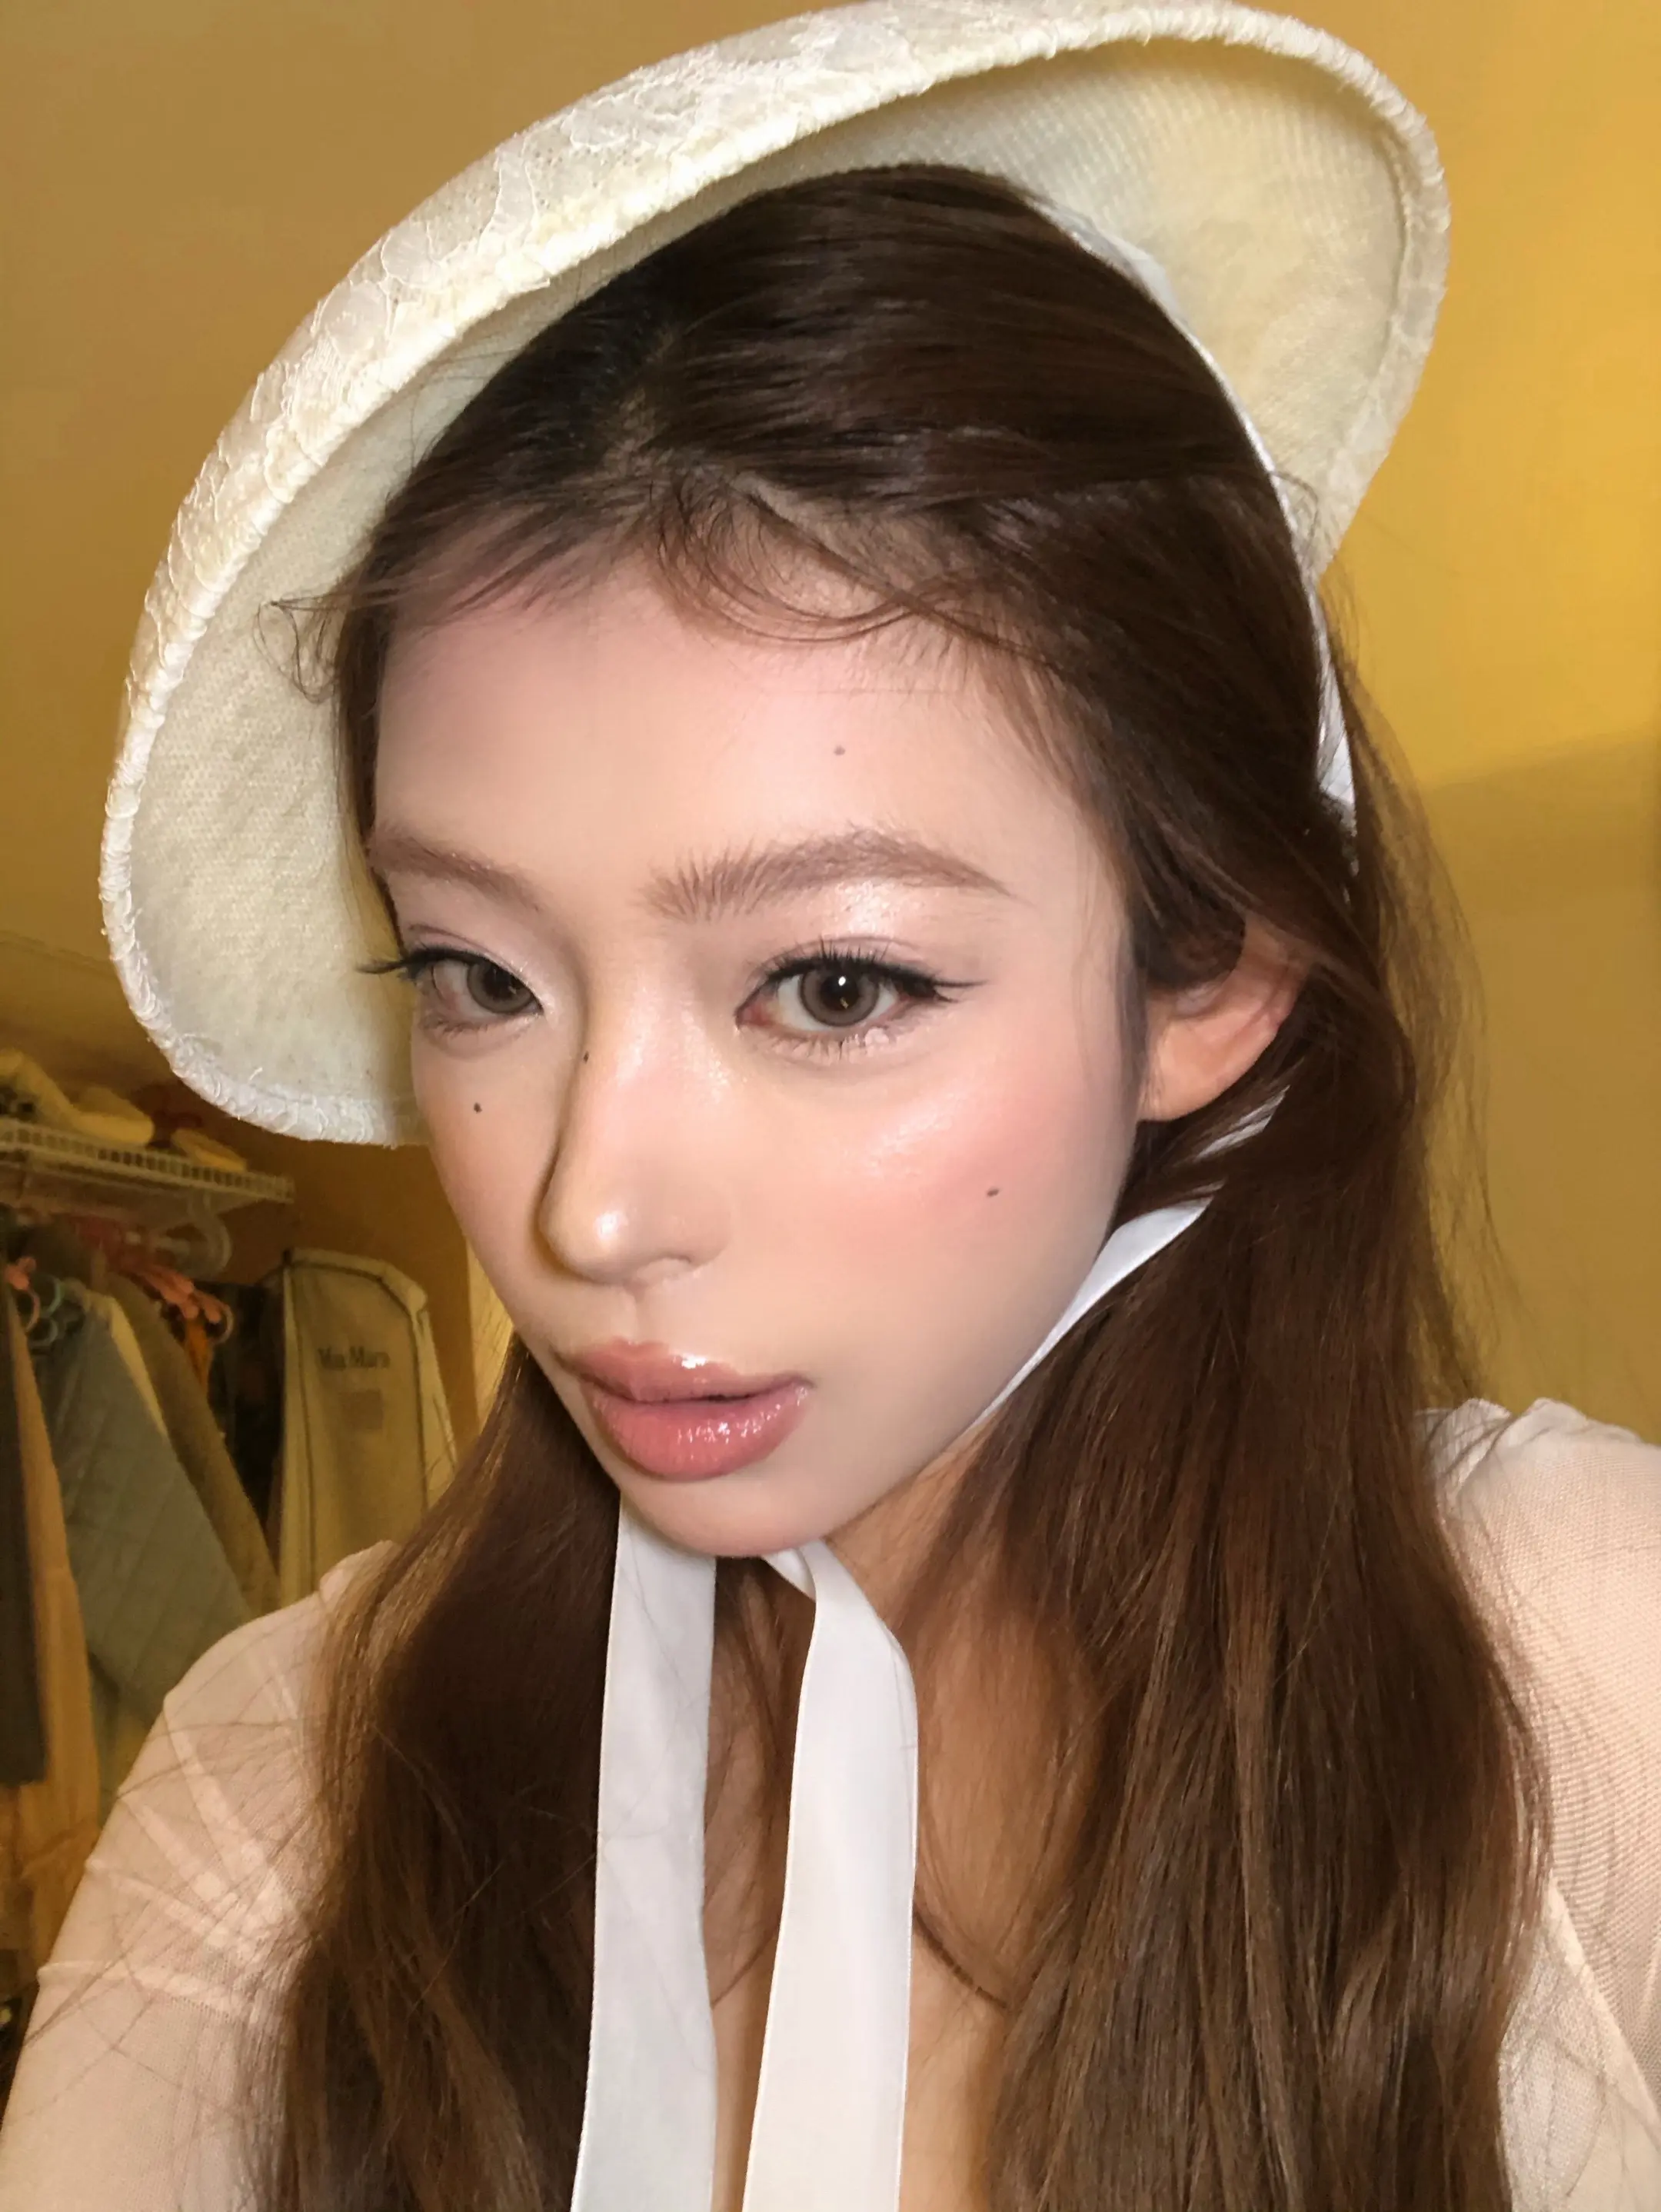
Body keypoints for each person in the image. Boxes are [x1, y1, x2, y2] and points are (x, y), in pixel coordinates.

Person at [2, 5, 1657, 2209]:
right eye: (478, 974)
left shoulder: (1585, 1690)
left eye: (834, 982)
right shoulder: (285, 1794)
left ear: (1213, 978)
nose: (590, 1211)